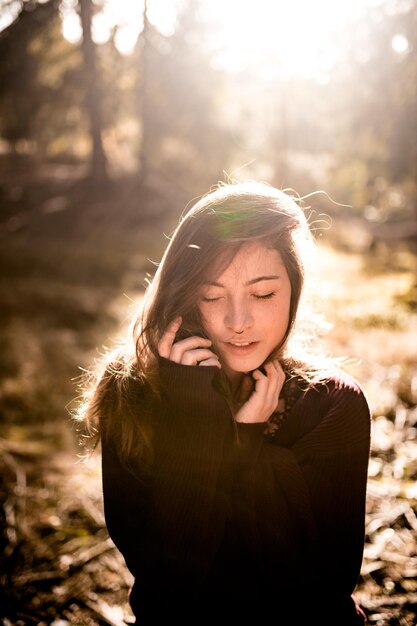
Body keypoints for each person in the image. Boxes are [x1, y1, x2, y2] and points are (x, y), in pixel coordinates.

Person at [74, 180, 371, 624]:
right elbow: (169, 578)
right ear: (185, 296)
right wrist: (197, 417)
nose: (238, 322)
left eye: (263, 294)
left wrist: (244, 449)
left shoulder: (331, 404)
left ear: (293, 288)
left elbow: (321, 582)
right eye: (212, 296)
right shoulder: (132, 395)